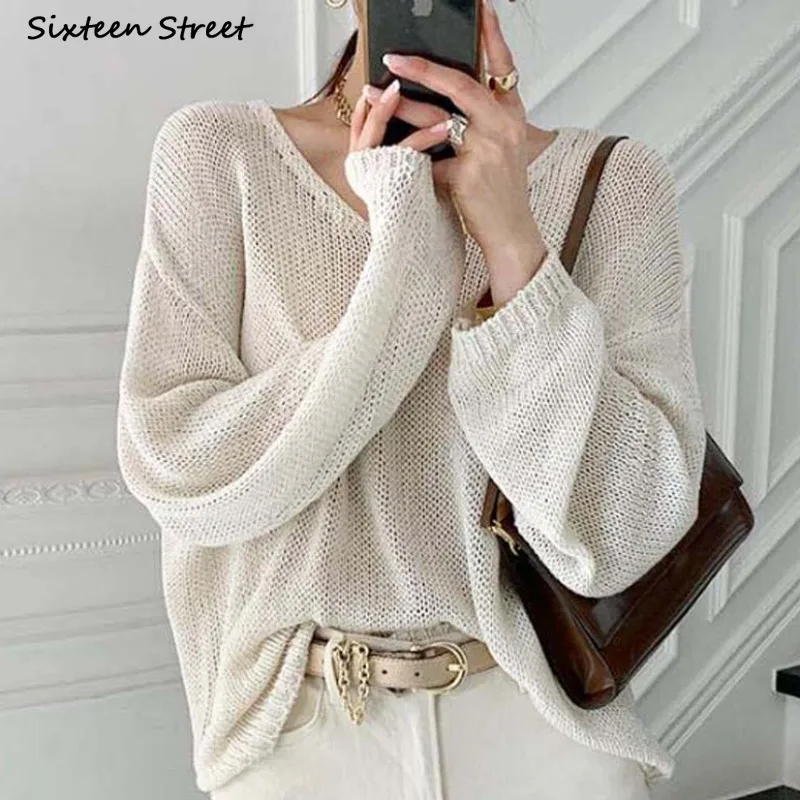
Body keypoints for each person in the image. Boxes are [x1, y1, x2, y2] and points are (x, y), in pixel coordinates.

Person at [115, 0, 707, 797]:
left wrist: (514, 245)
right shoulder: (222, 154)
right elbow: (181, 473)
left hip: (538, 726)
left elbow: (625, 534)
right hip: (302, 732)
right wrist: (401, 258)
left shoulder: (615, 185)